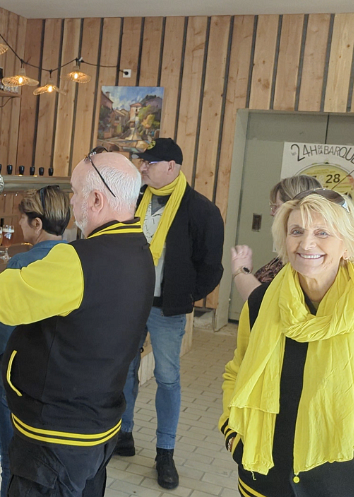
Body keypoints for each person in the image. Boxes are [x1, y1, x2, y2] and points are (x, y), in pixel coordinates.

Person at [0, 151, 155, 496]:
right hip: (99, 428)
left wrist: (10, 271)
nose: (72, 202)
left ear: (96, 200)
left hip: (54, 439)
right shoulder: (140, 251)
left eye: (76, 193)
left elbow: (0, 301)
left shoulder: (75, 261)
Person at [219, 188, 354, 496]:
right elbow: (237, 371)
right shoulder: (260, 304)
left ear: (347, 245)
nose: (306, 243)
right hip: (264, 482)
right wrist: (233, 434)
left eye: (322, 232)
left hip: (346, 488)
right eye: (296, 231)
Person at [117, 138, 224, 490]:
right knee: (125, 370)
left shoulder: (201, 210)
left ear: (172, 167)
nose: (143, 167)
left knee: (167, 378)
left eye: (150, 163)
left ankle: (165, 453)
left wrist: (185, 296)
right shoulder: (134, 200)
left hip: (168, 310)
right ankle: (124, 434)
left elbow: (211, 267)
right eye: (142, 162)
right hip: (131, 302)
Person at [0, 186, 71, 497]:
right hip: (55, 378)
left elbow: (3, 327)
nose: (18, 224)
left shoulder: (22, 263)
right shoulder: (75, 259)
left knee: (13, 462)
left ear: (37, 224)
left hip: (15, 377)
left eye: (22, 218)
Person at [231, 175, 322, 301]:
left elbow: (264, 303)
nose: (272, 213)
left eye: (276, 206)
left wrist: (240, 271)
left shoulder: (305, 256)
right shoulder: (289, 252)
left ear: (293, 207)